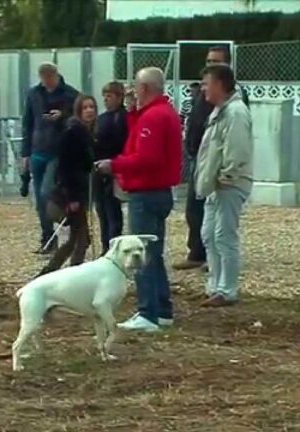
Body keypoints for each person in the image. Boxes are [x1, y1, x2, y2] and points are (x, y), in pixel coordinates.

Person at [94, 67, 182, 332]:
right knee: (153, 252)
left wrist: (115, 165)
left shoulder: (155, 117)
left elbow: (146, 157)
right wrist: (133, 111)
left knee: (141, 255)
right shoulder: (157, 113)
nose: (132, 90)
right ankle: (162, 309)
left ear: (145, 88)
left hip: (147, 192)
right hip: (157, 191)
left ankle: (148, 313)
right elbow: (140, 141)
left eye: (136, 86)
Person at [173, 45, 250, 271]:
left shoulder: (234, 103)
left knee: (220, 227)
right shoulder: (202, 93)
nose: (210, 66)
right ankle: (198, 253)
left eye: (215, 62)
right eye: (208, 61)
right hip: (199, 157)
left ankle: (218, 271)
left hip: (217, 166)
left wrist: (226, 172)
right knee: (195, 212)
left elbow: (235, 141)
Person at [195, 65, 253, 308]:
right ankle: (215, 286)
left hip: (228, 184)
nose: (203, 89)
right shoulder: (220, 111)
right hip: (215, 185)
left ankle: (227, 290)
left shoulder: (236, 112)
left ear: (219, 84)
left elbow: (237, 149)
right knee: (209, 234)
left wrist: (225, 176)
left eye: (207, 83)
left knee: (224, 235)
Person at [21, 62, 79, 255]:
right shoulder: (34, 94)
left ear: (56, 75)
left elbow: (77, 118)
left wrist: (62, 116)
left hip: (59, 150)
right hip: (38, 149)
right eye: (43, 78)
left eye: (49, 77)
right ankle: (48, 237)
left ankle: (65, 221)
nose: (46, 81)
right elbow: (27, 123)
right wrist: (25, 153)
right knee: (39, 198)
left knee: (47, 192)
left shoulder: (70, 94)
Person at [37, 95, 97, 277]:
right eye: (85, 107)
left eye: (92, 107)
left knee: (76, 238)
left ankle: (50, 272)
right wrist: (71, 198)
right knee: (81, 238)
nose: (89, 111)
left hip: (78, 192)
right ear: (78, 110)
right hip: (71, 194)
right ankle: (71, 275)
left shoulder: (85, 131)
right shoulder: (73, 132)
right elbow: (65, 168)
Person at [93, 81, 127, 255]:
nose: (106, 100)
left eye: (110, 96)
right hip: (99, 168)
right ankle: (105, 244)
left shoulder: (123, 117)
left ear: (119, 97)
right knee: (101, 210)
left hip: (114, 168)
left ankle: (113, 244)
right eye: (104, 96)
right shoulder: (102, 118)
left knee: (112, 210)